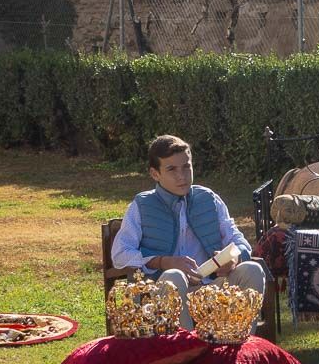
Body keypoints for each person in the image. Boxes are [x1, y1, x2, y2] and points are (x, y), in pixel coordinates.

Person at [111, 135, 267, 330]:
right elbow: (119, 254)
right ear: (155, 174)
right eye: (172, 169)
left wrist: (234, 258)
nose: (182, 176)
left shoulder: (209, 199)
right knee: (174, 275)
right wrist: (162, 261)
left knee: (253, 270)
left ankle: (241, 349)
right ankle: (187, 354)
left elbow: (238, 241)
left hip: (210, 289)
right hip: (162, 291)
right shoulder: (141, 205)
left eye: (186, 167)